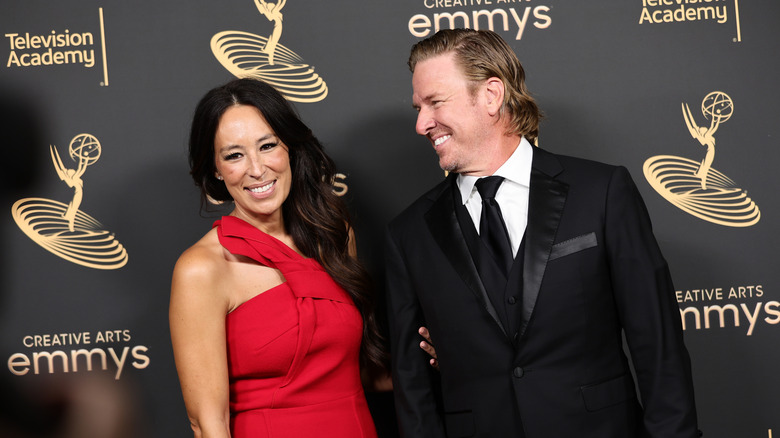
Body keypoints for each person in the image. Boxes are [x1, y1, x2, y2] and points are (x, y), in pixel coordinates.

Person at [385, 29, 700, 437]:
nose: (421, 123)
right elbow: (413, 389)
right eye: (418, 107)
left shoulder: (601, 193)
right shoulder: (409, 234)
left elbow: (659, 347)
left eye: (435, 102)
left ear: (491, 95)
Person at [170, 78, 385, 438]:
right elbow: (208, 423)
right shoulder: (202, 269)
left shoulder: (333, 236)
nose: (257, 169)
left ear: (289, 149)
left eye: (267, 146)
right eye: (234, 155)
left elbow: (359, 368)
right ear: (216, 170)